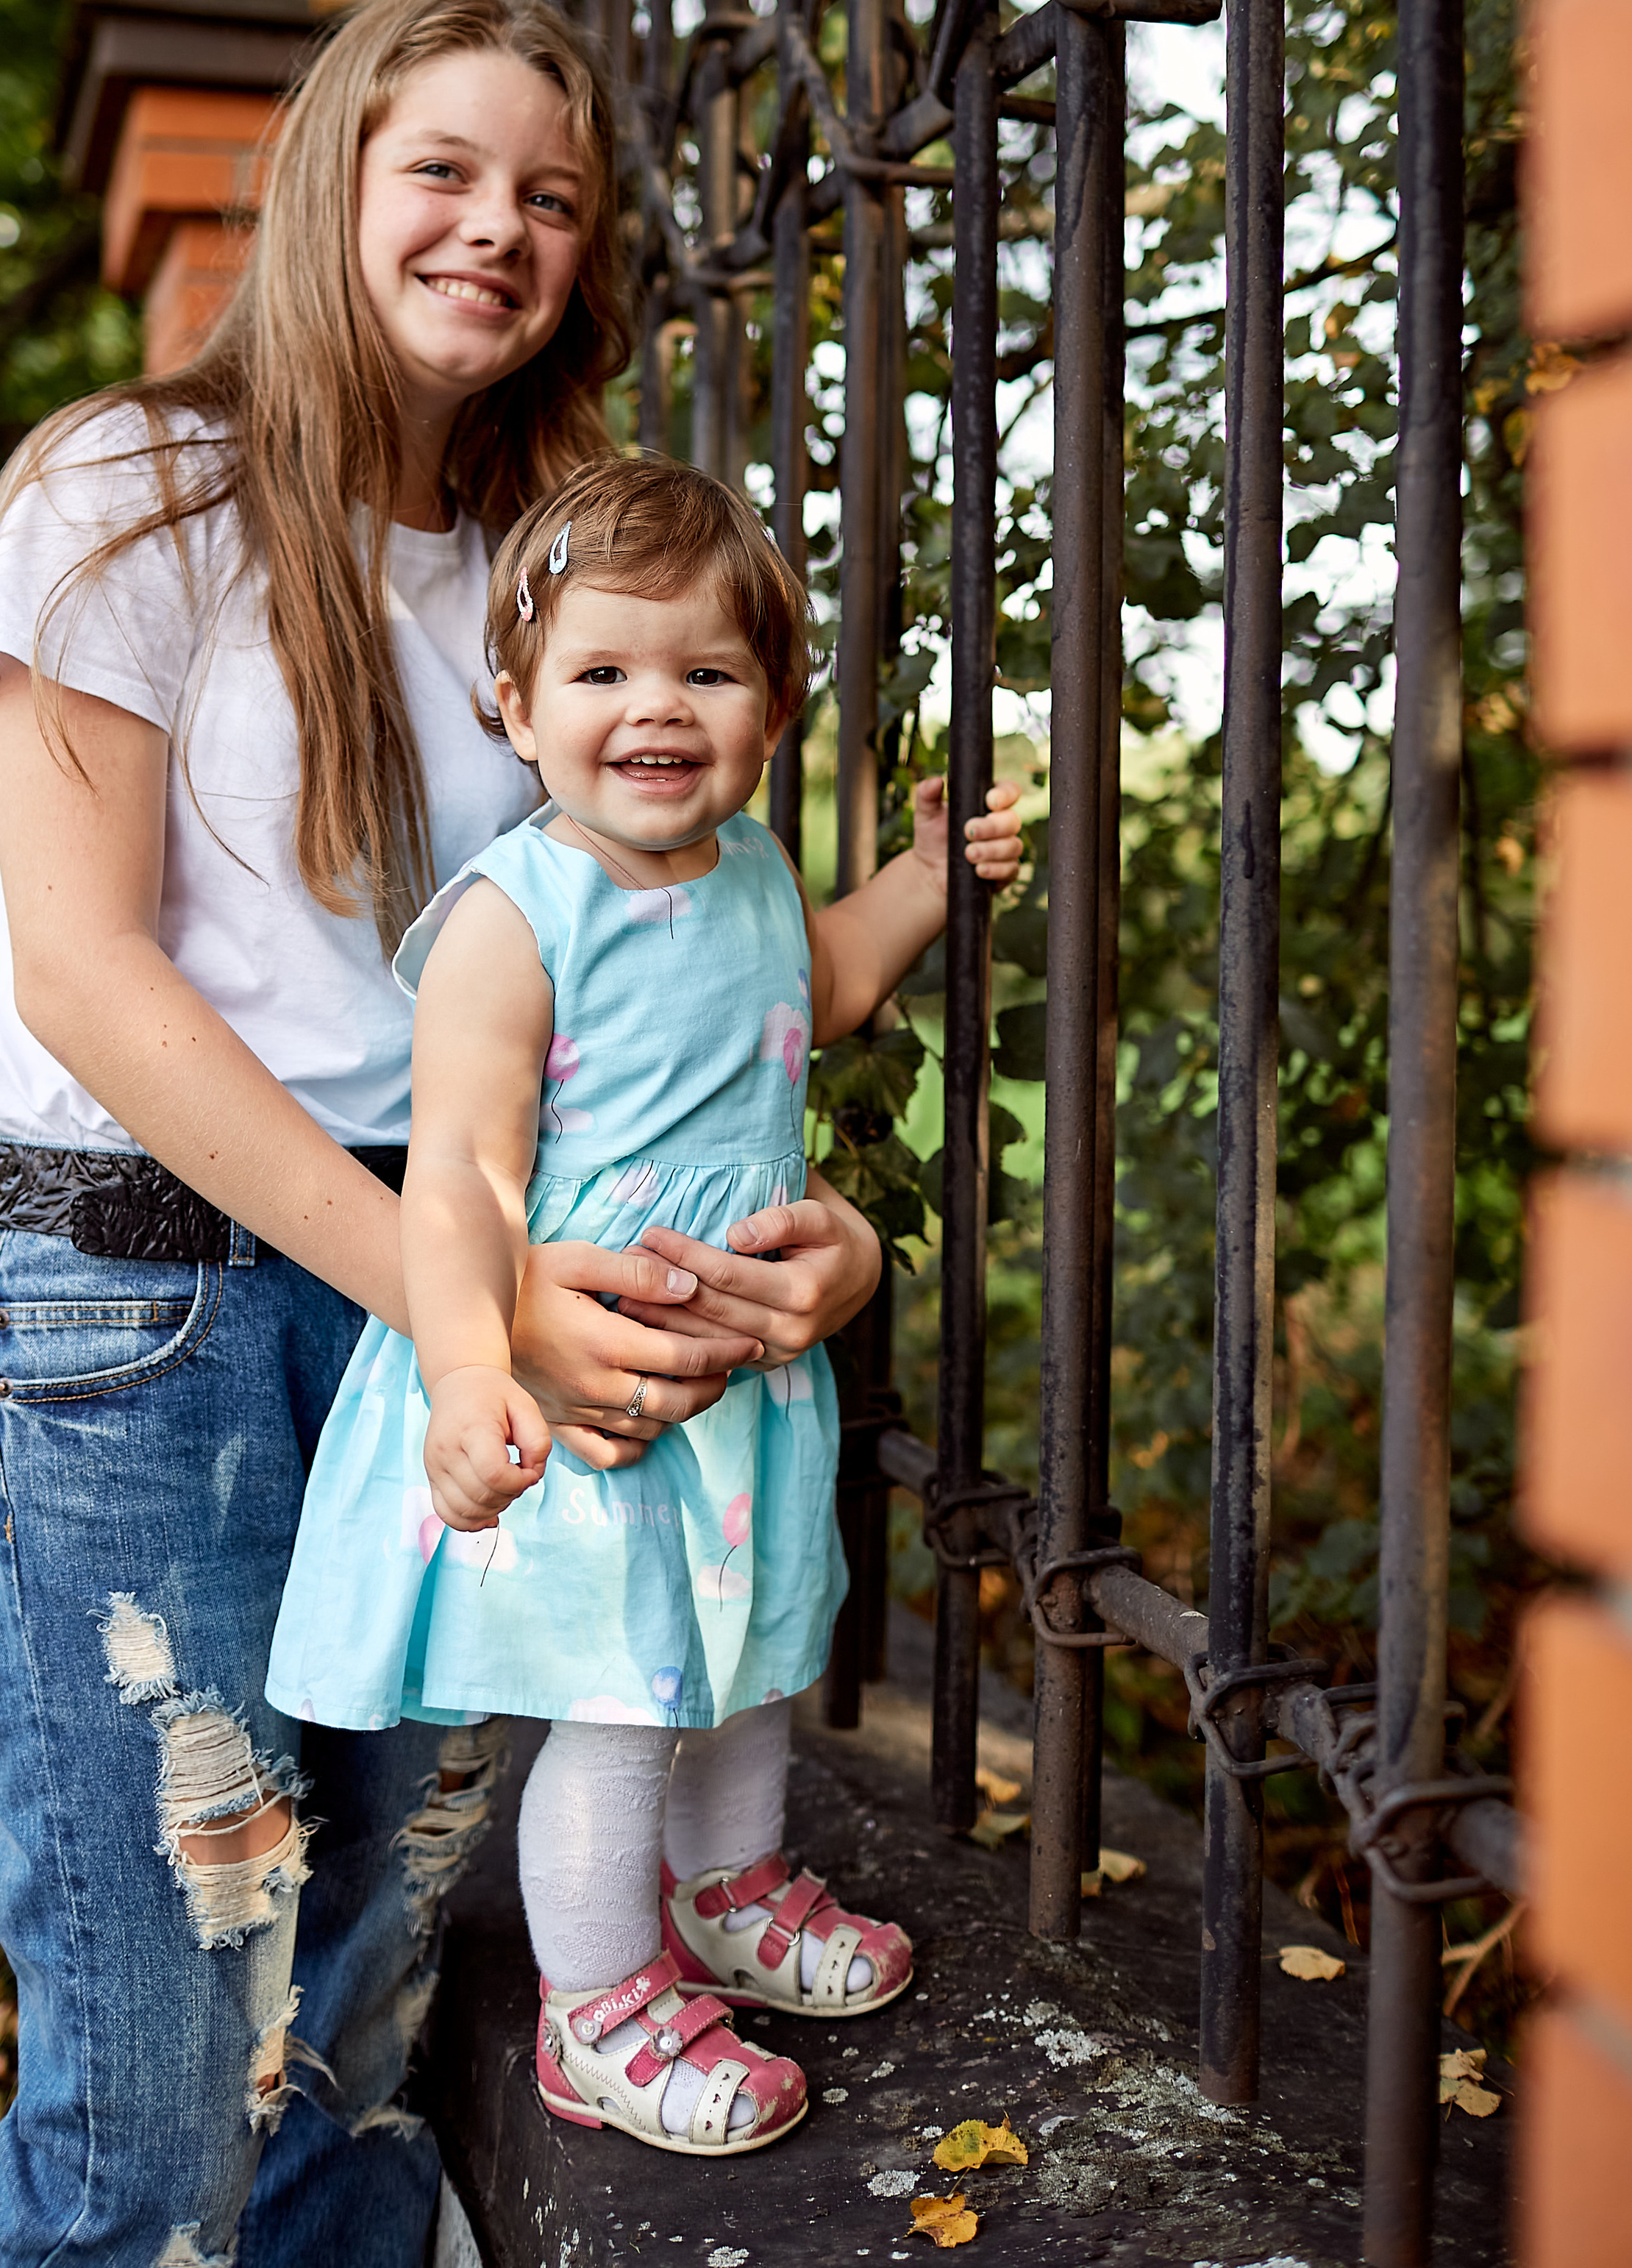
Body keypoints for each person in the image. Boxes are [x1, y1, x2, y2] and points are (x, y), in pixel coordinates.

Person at [0, 0, 893, 2265]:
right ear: (331, 177)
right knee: (148, 2129)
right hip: (136, 1322)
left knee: (342, 2065)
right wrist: (468, 1312)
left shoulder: (569, 567)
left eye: (550, 195)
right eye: (442, 169)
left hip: (438, 1317)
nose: (496, 228)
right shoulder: (125, 487)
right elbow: (88, 975)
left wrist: (824, 1234)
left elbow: (675, 982)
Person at [266, 454, 1024, 2157]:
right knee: (618, 1695)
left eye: (706, 670)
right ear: (515, 706)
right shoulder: (512, 918)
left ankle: (729, 1891)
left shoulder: (749, 868)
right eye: (603, 672)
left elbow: (815, 983)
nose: (654, 708)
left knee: (749, 1651)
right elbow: (455, 1176)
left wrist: (921, 877)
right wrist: (470, 1366)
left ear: (770, 710)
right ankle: (598, 2005)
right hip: (588, 1367)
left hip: (738, 1368)